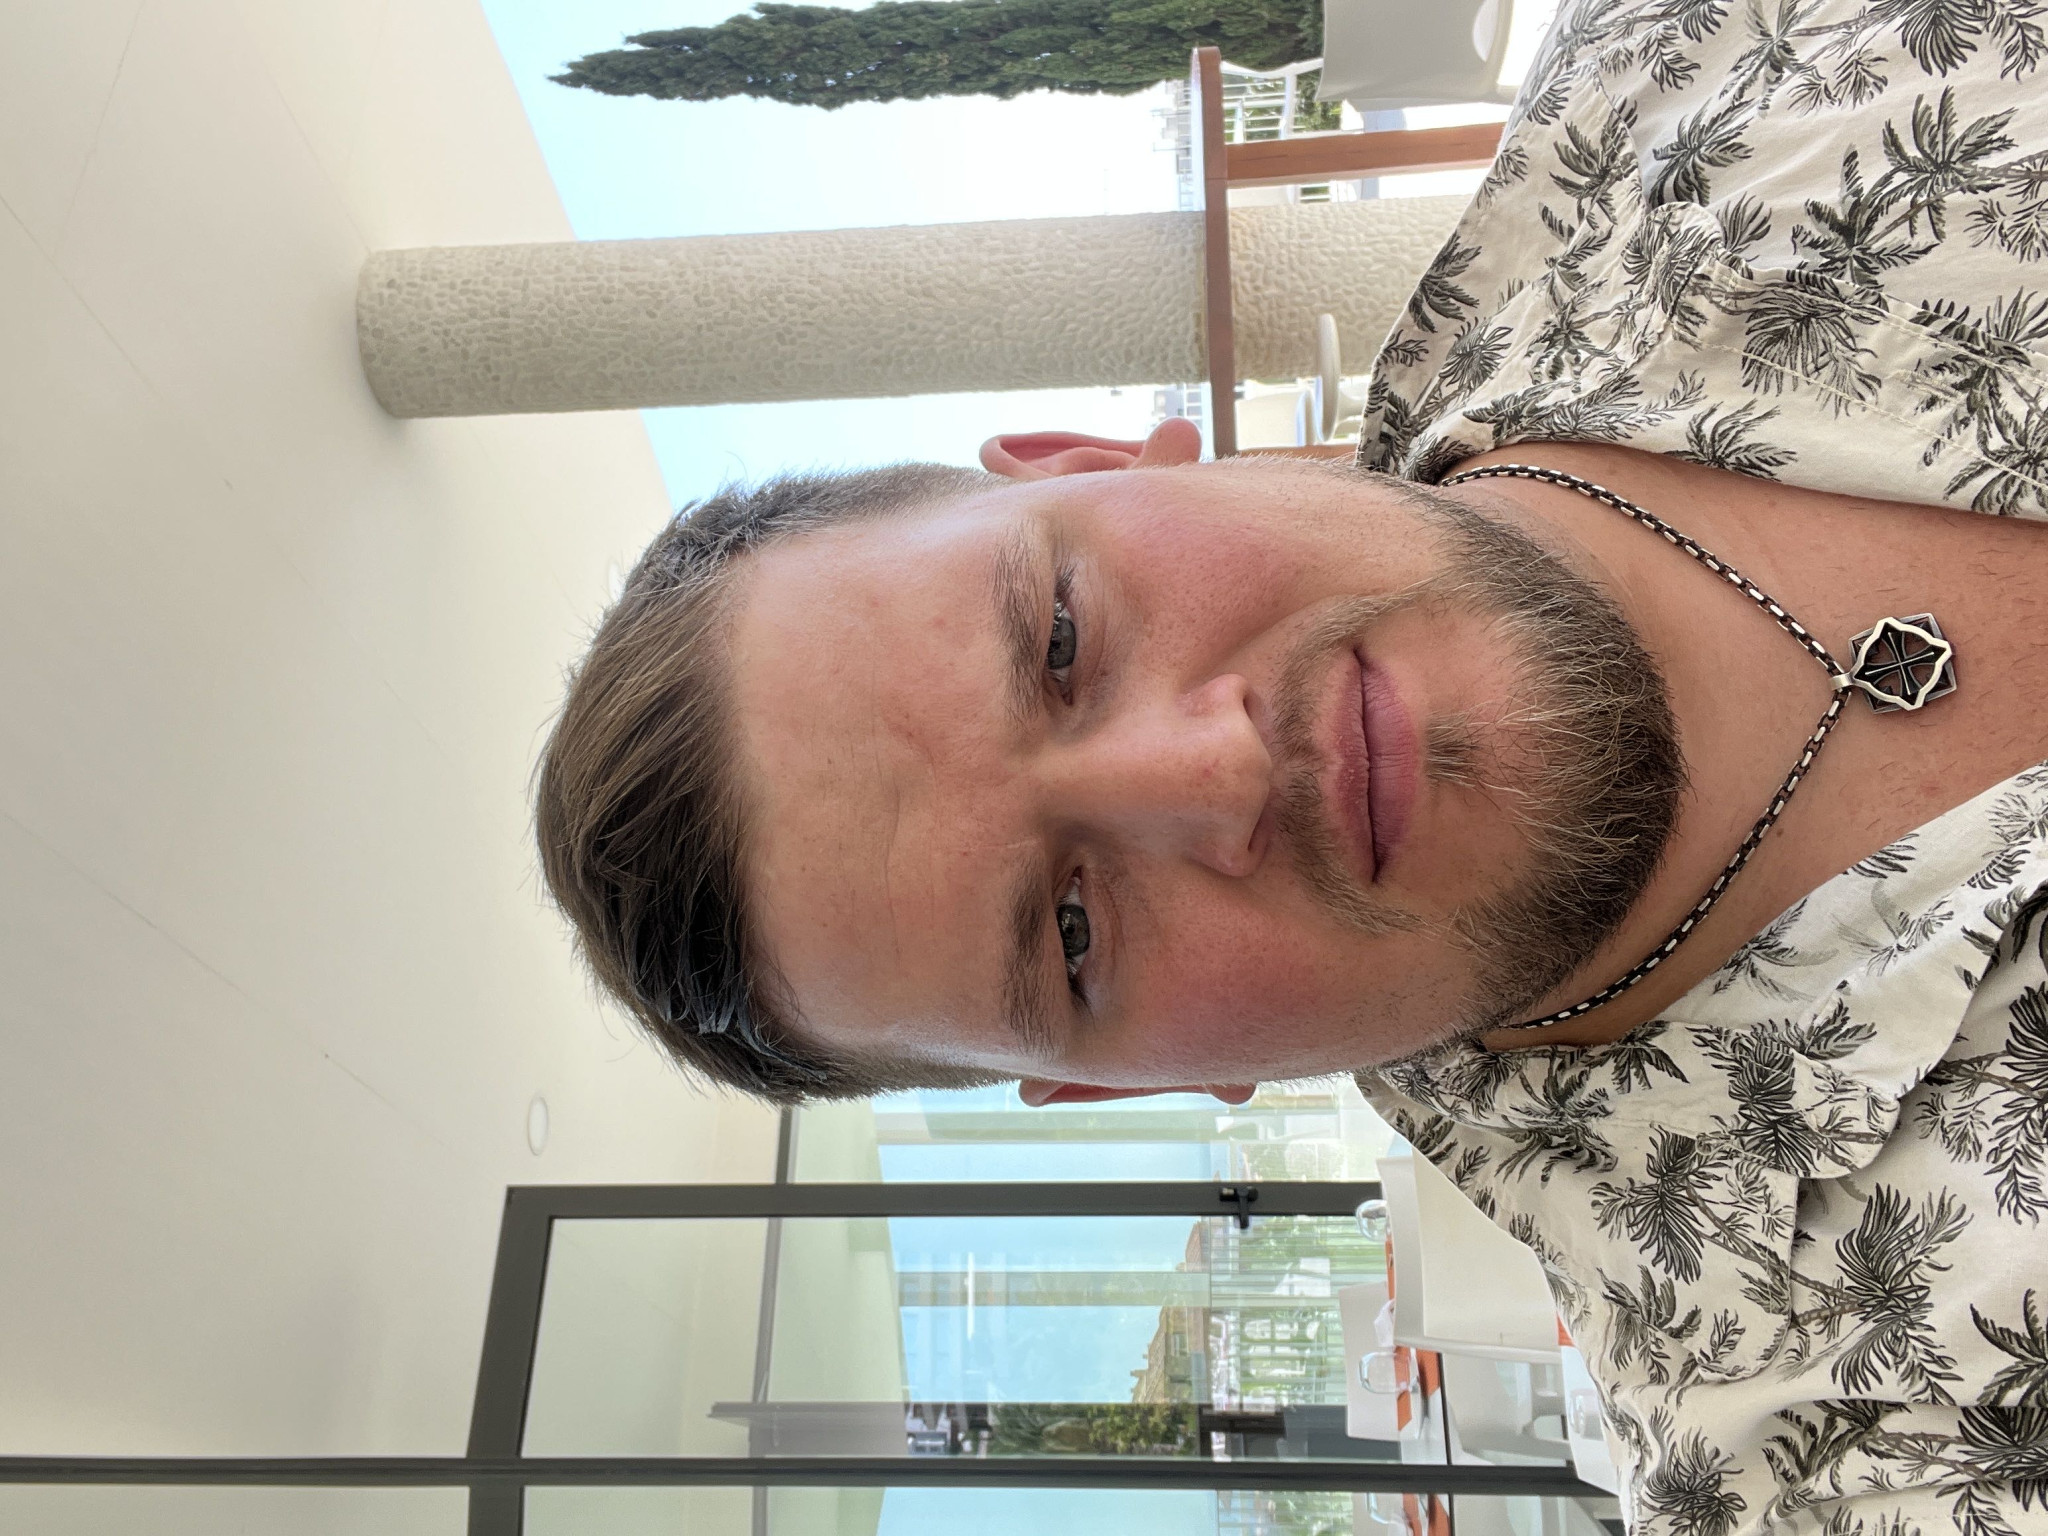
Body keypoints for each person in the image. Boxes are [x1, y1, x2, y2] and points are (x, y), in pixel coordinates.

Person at [534, 0, 2048, 1529]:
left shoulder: (1732, 58)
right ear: (1126, 1083)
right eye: (1071, 931)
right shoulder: (1845, 1453)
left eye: (1060, 638)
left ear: (1095, 460)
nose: (1212, 774)